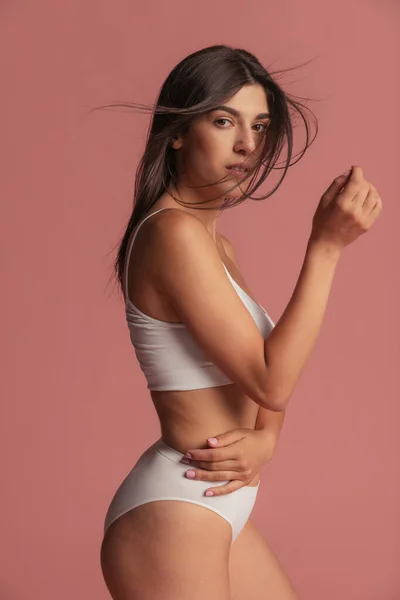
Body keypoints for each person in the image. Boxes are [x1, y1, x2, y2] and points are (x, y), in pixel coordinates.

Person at [98, 45, 383, 600]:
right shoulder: (171, 234)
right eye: (224, 121)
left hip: (218, 507)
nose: (248, 145)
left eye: (260, 126)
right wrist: (325, 249)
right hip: (174, 513)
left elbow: (268, 367)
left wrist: (266, 441)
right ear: (177, 132)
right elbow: (271, 379)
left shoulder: (214, 243)